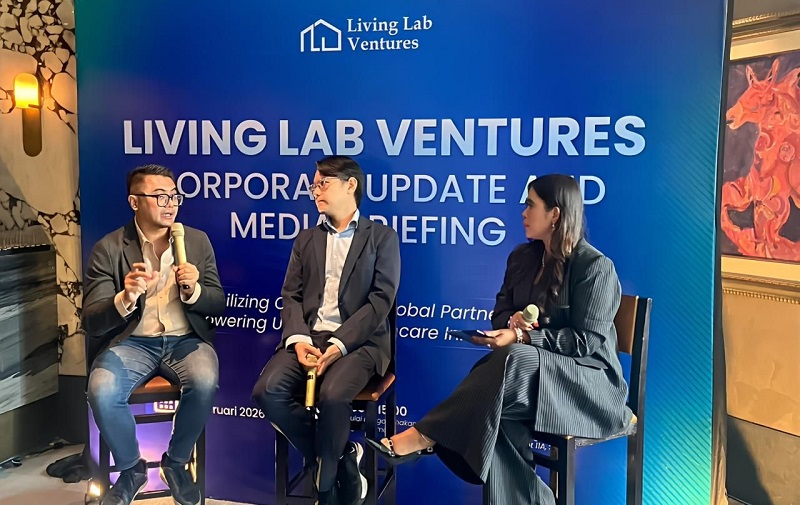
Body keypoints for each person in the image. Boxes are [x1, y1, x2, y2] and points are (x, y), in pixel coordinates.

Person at [367, 174, 632, 505]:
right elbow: (501, 312)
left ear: (555, 214)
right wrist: (510, 324)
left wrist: (524, 336)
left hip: (588, 387)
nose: (523, 212)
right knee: (497, 411)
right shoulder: (522, 258)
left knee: (513, 359)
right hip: (532, 384)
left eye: (531, 205)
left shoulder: (595, 267)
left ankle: (424, 434)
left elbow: (585, 342)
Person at [252, 156, 401, 505]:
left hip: (360, 343)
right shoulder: (306, 239)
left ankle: (327, 493)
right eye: (313, 185)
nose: (315, 191)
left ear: (351, 185)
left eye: (323, 183)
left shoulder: (382, 237)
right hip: (308, 338)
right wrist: (299, 340)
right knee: (267, 391)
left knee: (333, 396)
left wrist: (339, 344)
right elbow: (291, 295)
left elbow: (380, 302)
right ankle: (341, 454)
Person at [82, 164, 225, 505]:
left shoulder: (196, 241)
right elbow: (92, 320)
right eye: (160, 196)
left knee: (205, 379)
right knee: (102, 390)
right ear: (135, 202)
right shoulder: (109, 248)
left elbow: (217, 302)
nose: (170, 203)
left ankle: (175, 463)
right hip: (131, 343)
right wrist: (125, 297)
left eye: (174, 196)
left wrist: (194, 291)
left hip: (185, 340)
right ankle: (132, 469)